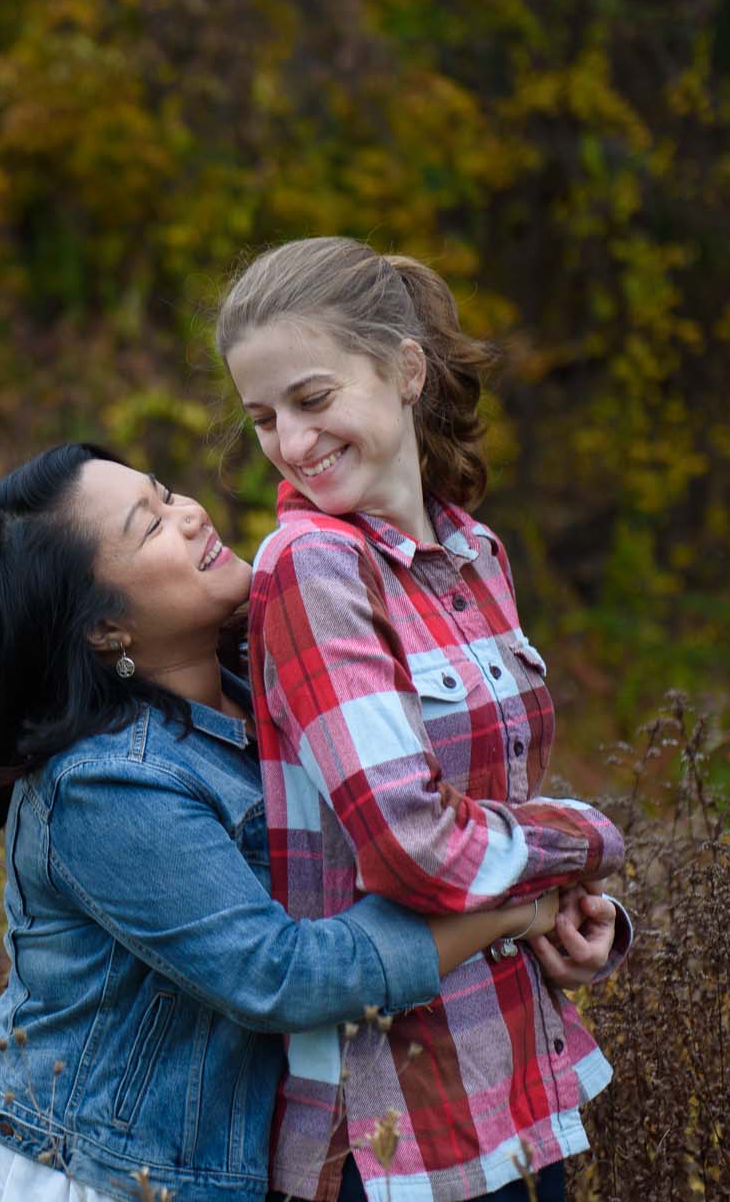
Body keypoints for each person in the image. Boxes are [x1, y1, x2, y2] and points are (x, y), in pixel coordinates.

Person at [0, 442, 562, 1202]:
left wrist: (544, 892)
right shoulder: (107, 782)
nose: (192, 513)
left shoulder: (264, 690)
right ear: (105, 629)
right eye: (150, 524)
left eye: (166, 491)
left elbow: (410, 827)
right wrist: (517, 905)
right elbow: (280, 976)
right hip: (107, 1176)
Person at [218, 238, 633, 1202]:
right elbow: (414, 844)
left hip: (522, 1085)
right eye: (263, 418)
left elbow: (494, 804)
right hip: (392, 1125)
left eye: (311, 400)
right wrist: (592, 842)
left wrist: (579, 916)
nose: (289, 440)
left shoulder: (475, 553)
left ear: (406, 370)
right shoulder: (309, 563)